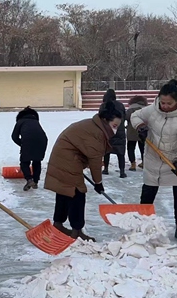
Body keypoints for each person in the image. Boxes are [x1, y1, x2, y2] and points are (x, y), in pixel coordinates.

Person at [44, 102, 122, 242]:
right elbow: (95, 161)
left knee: (64, 192)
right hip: (68, 160)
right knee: (77, 195)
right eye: (114, 126)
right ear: (105, 120)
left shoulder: (94, 126)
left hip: (63, 159)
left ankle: (58, 224)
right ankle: (77, 231)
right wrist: (98, 183)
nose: (115, 130)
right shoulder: (97, 133)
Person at [131, 79, 177, 242]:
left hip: (176, 160)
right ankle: (143, 224)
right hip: (153, 158)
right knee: (147, 193)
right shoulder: (152, 110)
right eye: (163, 102)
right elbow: (135, 115)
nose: (165, 106)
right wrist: (140, 127)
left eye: (169, 103)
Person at [11, 107, 48, 191]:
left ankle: (29, 180)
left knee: (24, 162)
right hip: (43, 140)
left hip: (28, 141)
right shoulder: (35, 121)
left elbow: (14, 136)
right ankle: (35, 181)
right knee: (37, 161)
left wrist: (22, 144)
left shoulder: (20, 121)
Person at [99, 89, 127, 178]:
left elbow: (100, 118)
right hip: (120, 131)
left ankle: (106, 169)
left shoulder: (104, 105)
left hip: (108, 131)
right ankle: (122, 172)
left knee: (107, 150)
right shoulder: (121, 105)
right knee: (120, 152)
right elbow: (125, 116)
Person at [125, 96, 148, 172]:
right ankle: (144, 163)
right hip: (142, 132)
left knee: (131, 148)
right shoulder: (145, 109)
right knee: (143, 149)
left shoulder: (130, 109)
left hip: (131, 131)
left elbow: (126, 117)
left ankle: (133, 164)